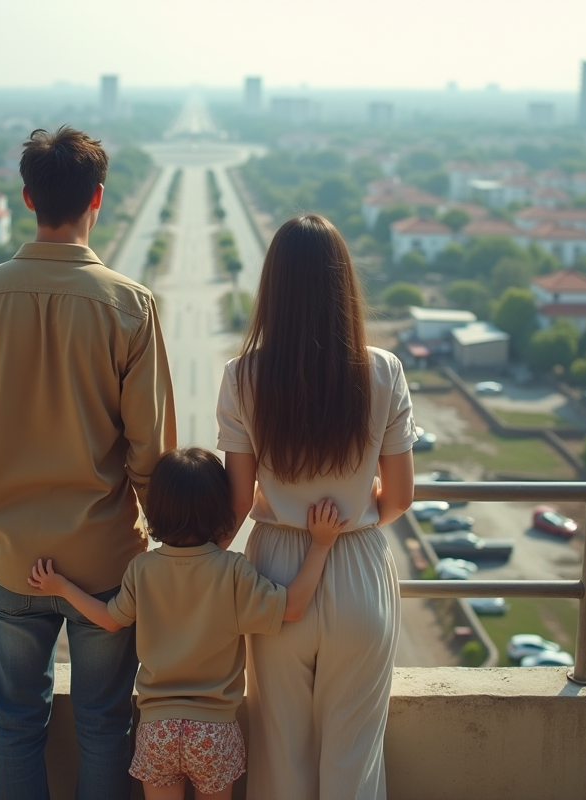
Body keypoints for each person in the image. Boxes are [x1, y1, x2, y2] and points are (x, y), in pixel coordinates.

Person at [0, 126, 176, 800]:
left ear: (26, 197)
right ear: (98, 197)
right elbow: (149, 445)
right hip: (104, 558)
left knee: (16, 722)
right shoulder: (129, 305)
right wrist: (160, 532)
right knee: (104, 723)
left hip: (11, 552)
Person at [215, 214, 417, 800]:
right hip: (357, 568)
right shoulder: (384, 371)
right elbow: (400, 498)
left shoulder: (242, 377)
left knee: (281, 760)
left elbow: (234, 503)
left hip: (276, 576)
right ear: (344, 285)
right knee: (353, 762)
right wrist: (349, 515)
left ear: (272, 286)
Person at [28, 447, 345, 800]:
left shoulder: (142, 569)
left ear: (158, 510)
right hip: (214, 731)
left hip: (157, 730)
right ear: (219, 510)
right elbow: (294, 608)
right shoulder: (233, 571)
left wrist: (61, 587)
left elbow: (110, 619)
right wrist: (320, 544)